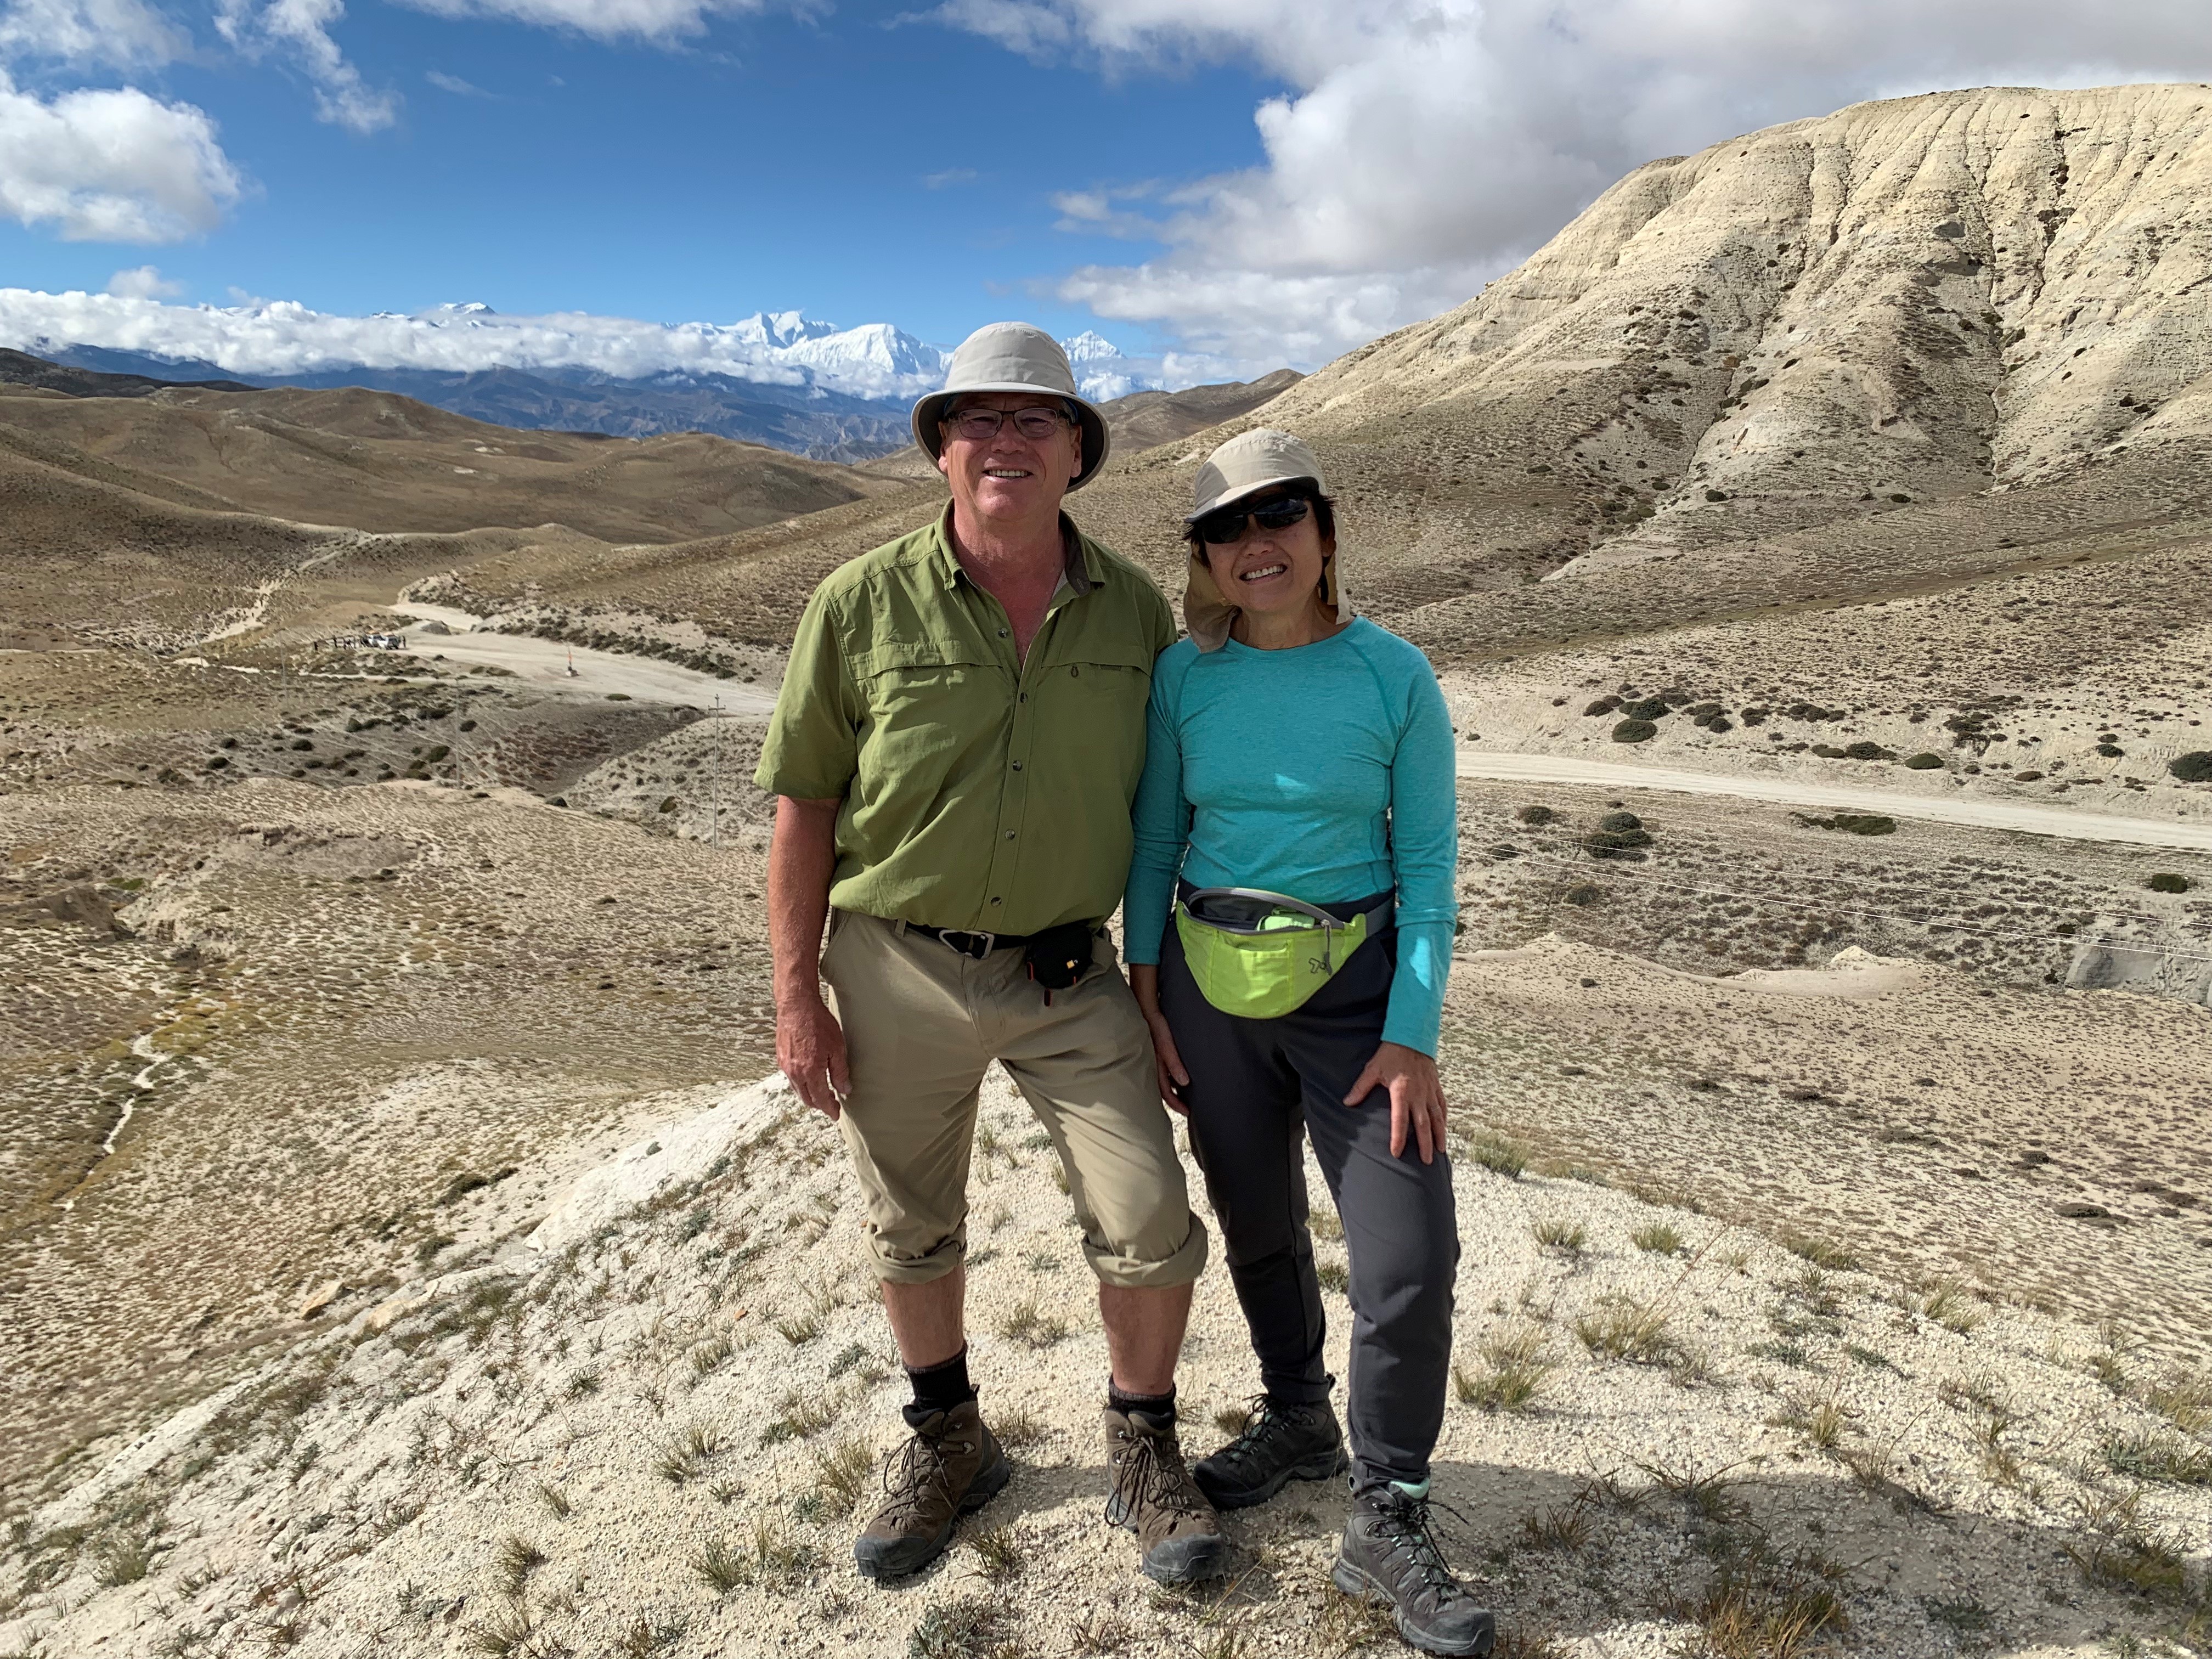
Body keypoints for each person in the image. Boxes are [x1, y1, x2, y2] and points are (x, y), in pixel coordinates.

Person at [755, 321, 1227, 1587]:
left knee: (1149, 1217)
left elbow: (1184, 804)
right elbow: (802, 808)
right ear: (941, 450)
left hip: (1073, 975)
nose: (1005, 439)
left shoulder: (1138, 611)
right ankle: (949, 1438)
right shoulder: (857, 602)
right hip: (896, 964)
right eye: (979, 418)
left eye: (1036, 420)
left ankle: (1142, 1446)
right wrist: (799, 999)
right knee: (911, 1227)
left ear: (1077, 452)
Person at [1123, 429, 1494, 1656]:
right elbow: (1160, 836)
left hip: (1358, 998)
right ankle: (1297, 1417)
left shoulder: (1397, 677)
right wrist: (1147, 983)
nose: (1256, 541)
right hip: (1208, 987)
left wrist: (1413, 1034)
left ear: (1327, 532)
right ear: (1205, 558)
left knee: (1409, 1259)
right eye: (1227, 526)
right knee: (1257, 1223)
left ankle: (1388, 1509)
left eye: (1281, 514)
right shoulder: (1185, 675)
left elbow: (1431, 871)